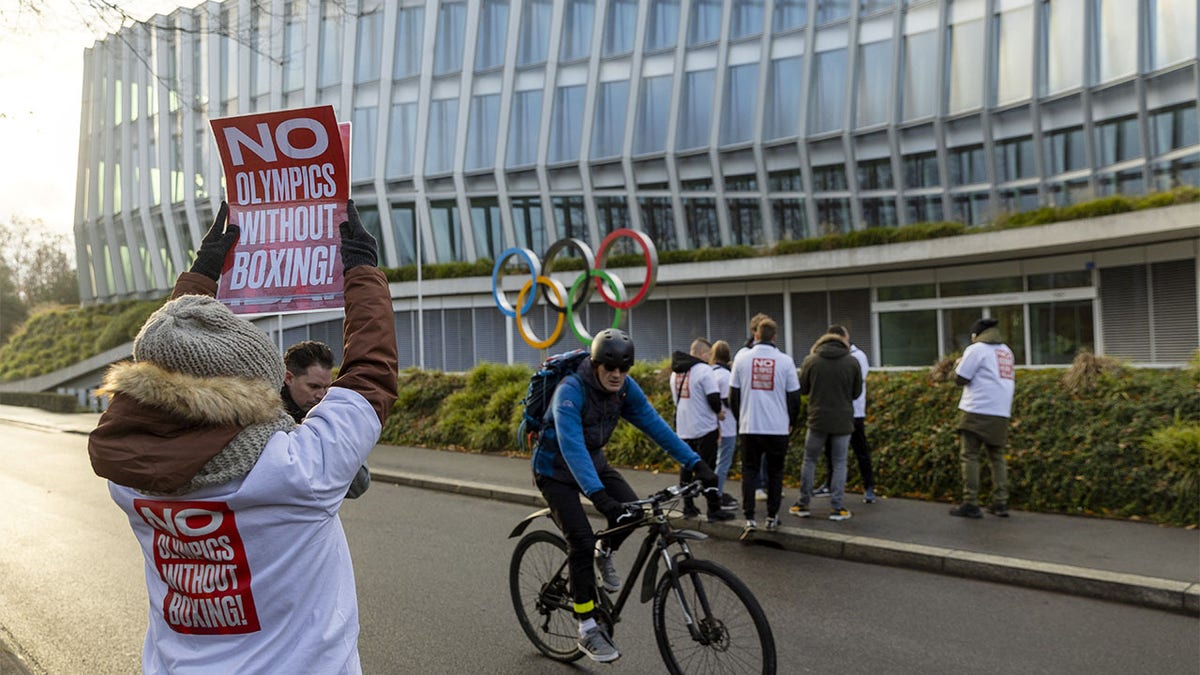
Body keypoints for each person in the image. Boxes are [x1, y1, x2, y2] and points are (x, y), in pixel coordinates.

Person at [88, 200, 398, 673]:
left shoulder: (127, 478)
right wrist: (361, 269)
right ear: (257, 388)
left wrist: (196, 287)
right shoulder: (299, 469)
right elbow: (370, 376)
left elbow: (160, 375)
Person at [533, 328, 720, 663]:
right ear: (595, 364)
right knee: (580, 539)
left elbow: (655, 425)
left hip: (594, 463)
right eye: (610, 369)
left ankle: (604, 552)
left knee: (632, 512)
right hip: (555, 470)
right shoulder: (570, 391)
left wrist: (696, 463)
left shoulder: (624, 390)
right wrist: (600, 497)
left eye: (624, 369)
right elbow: (572, 446)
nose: (617, 375)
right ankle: (587, 626)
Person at [730, 317, 800, 538]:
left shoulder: (741, 359)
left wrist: (740, 417)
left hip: (750, 425)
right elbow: (794, 397)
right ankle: (771, 516)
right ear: (775, 337)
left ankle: (749, 517)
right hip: (777, 427)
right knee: (775, 472)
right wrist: (791, 421)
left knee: (749, 471)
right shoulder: (786, 361)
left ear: (756, 335)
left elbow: (734, 395)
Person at [283, 340, 372, 499]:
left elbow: (360, 485)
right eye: (314, 387)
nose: (321, 395)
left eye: (327, 387)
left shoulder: (331, 413)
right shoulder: (264, 418)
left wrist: (338, 439)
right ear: (288, 378)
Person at [791, 329, 863, 522]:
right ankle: (837, 508)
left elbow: (803, 390)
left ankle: (803, 504)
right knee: (839, 462)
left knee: (810, 460)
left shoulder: (811, 361)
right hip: (843, 420)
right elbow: (856, 393)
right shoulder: (852, 362)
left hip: (817, 419)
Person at [949, 317, 1015, 519]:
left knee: (969, 455)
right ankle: (1001, 503)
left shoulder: (976, 349)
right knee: (997, 457)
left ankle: (970, 502)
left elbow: (961, 378)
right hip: (1001, 410)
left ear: (975, 335)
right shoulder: (1006, 351)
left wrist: (957, 364)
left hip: (977, 408)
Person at [670, 337, 734, 522]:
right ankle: (713, 509)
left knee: (686, 469)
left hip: (684, 427)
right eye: (707, 353)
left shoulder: (676, 373)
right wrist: (719, 413)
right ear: (699, 353)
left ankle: (688, 506)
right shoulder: (704, 370)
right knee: (707, 468)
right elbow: (714, 398)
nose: (710, 357)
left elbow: (677, 401)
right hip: (705, 428)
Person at [812, 325, 877, 504]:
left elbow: (853, 383)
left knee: (860, 450)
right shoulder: (835, 357)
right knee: (831, 451)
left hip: (854, 412)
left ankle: (869, 486)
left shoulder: (857, 357)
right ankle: (829, 484)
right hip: (836, 412)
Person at [735, 313, 772, 503]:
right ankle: (756, 487)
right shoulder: (743, 355)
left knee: (767, 456)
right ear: (754, 332)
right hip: (750, 416)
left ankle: (766, 484)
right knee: (752, 459)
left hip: (769, 416)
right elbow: (735, 389)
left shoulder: (772, 353)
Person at [708, 339, 739, 513]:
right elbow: (730, 402)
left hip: (711, 426)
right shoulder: (727, 376)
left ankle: (714, 493)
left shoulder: (709, 372)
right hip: (726, 426)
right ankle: (717, 495)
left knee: (715, 462)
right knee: (723, 463)